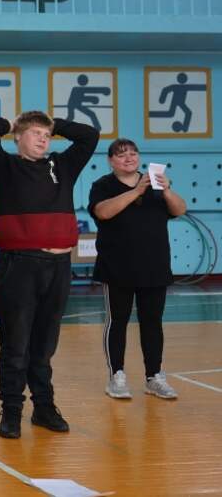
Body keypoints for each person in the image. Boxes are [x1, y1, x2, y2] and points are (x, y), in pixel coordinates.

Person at [0, 111, 98, 439]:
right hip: (19, 266)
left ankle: (44, 407)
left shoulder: (63, 165)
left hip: (59, 267)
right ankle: (11, 411)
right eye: (35, 133)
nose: (43, 139)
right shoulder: (3, 167)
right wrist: (13, 123)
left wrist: (53, 123)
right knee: (16, 345)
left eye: (47, 134)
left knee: (45, 346)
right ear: (18, 137)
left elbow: (89, 135)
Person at [88, 139, 187, 400]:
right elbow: (103, 212)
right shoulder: (103, 185)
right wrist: (136, 191)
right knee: (117, 321)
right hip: (116, 267)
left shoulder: (156, 184)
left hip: (155, 266)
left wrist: (166, 191)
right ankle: (116, 376)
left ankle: (154, 376)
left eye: (133, 153)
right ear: (111, 161)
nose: (129, 158)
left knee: (152, 323)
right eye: (122, 155)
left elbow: (180, 209)